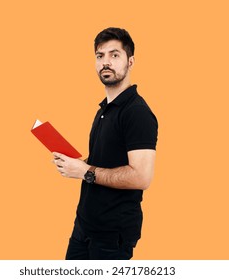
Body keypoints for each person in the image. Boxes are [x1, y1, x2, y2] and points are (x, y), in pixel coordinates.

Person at [52, 27, 158, 260]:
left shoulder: (137, 113)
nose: (106, 62)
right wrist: (75, 164)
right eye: (100, 56)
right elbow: (107, 160)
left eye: (114, 55)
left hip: (111, 237)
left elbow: (142, 177)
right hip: (83, 228)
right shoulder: (104, 110)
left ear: (130, 61)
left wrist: (85, 171)